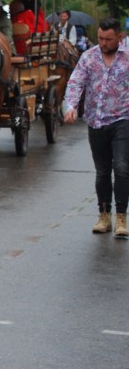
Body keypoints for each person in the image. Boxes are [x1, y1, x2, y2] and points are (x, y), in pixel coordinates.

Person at [64, 17, 129, 238]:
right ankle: (104, 216)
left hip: (122, 119)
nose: (103, 43)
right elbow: (76, 82)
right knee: (102, 171)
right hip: (96, 121)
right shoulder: (88, 57)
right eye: (100, 38)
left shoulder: (127, 58)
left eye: (108, 39)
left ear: (119, 37)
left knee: (121, 167)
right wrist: (71, 106)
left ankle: (121, 218)